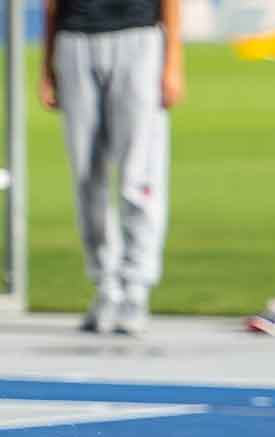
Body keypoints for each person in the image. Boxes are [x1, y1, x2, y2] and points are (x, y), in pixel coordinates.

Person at [39, 0, 185, 336]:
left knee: (140, 174)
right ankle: (106, 286)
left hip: (138, 36)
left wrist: (173, 61)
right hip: (75, 39)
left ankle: (136, 288)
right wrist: (47, 67)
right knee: (87, 178)